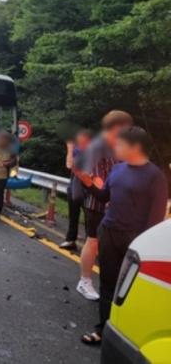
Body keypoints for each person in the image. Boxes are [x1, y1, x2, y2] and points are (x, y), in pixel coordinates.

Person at [75, 126, 168, 345]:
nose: (115, 147)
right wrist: (88, 184)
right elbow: (104, 196)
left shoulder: (156, 177)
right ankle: (102, 329)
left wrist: (143, 246)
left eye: (120, 144)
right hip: (108, 232)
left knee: (128, 287)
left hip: (134, 239)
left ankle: (127, 333)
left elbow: (154, 220)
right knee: (107, 283)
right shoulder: (117, 169)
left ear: (135, 147)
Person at [75, 110, 133, 301]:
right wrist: (109, 196)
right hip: (97, 201)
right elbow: (96, 177)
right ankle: (85, 281)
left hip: (116, 203)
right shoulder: (97, 147)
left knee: (113, 245)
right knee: (93, 241)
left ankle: (112, 283)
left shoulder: (119, 146)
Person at [60, 129, 93, 251]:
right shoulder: (77, 149)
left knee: (88, 214)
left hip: (85, 181)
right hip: (76, 180)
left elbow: (69, 164)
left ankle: (88, 243)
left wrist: (70, 148)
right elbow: (69, 165)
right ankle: (71, 239)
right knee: (74, 212)